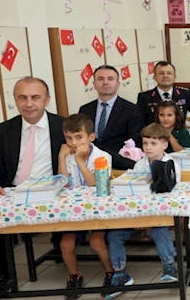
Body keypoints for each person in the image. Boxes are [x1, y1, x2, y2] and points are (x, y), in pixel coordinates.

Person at [0, 77, 66, 289]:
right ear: (15, 100)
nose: (29, 104)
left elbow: (94, 150)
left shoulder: (62, 126)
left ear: (47, 100)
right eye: (22, 98)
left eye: (35, 97)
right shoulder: (4, 130)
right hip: (13, 192)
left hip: (51, 192)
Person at [106, 124, 180, 299]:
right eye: (145, 143)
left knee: (160, 230)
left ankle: (169, 266)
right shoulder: (139, 165)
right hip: (136, 215)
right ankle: (120, 273)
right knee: (114, 235)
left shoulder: (171, 165)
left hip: (158, 215)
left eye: (153, 143)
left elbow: (171, 193)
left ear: (164, 145)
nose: (148, 147)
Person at [57, 114, 115, 297]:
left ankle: (111, 272)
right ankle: (74, 276)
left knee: (96, 241)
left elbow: (95, 185)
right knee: (65, 244)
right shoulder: (68, 156)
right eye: (68, 138)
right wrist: (61, 157)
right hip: (75, 212)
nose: (73, 143)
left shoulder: (103, 157)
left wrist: (80, 161)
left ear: (91, 137)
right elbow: (62, 184)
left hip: (99, 211)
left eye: (79, 137)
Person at [79, 65, 144, 170]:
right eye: (100, 79)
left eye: (110, 79)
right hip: (90, 164)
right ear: (94, 84)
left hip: (121, 165)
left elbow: (135, 142)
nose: (105, 82)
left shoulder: (131, 109)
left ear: (118, 84)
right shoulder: (85, 110)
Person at [136, 61, 190, 125]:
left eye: (169, 73)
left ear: (174, 77)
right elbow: (139, 122)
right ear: (154, 77)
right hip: (154, 133)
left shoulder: (185, 95)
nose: (165, 76)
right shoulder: (144, 97)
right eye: (161, 73)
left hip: (178, 132)